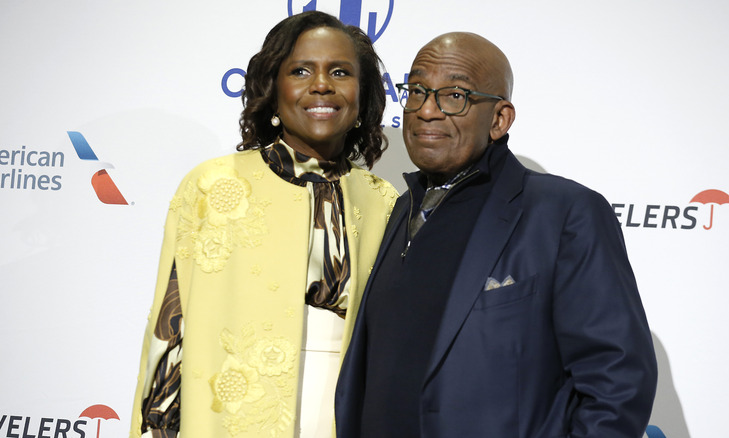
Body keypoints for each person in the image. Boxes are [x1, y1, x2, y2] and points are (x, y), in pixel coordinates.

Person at [335, 32, 657, 438]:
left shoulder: (564, 213)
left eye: (455, 96)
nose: (426, 110)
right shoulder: (398, 208)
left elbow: (617, 379)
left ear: (500, 119)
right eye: (416, 90)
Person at [130, 11, 397, 438]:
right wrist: (157, 428)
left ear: (363, 97)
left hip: (345, 415)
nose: (322, 84)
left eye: (341, 72)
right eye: (301, 70)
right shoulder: (214, 186)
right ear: (273, 91)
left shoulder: (384, 201)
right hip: (228, 417)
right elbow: (171, 326)